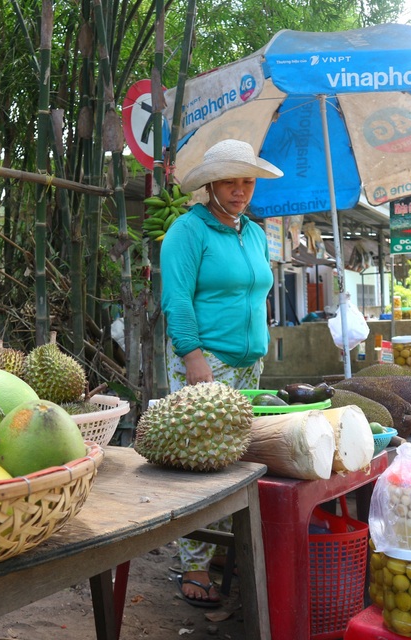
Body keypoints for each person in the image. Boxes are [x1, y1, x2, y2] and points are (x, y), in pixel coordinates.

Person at [159, 138, 282, 606]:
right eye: (229, 181)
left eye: (246, 180)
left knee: (235, 461)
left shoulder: (251, 232)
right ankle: (191, 564)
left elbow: (256, 292)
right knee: (200, 466)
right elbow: (177, 301)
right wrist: (193, 360)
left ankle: (220, 554)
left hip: (249, 364)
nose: (239, 190)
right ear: (210, 183)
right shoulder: (188, 232)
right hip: (204, 362)